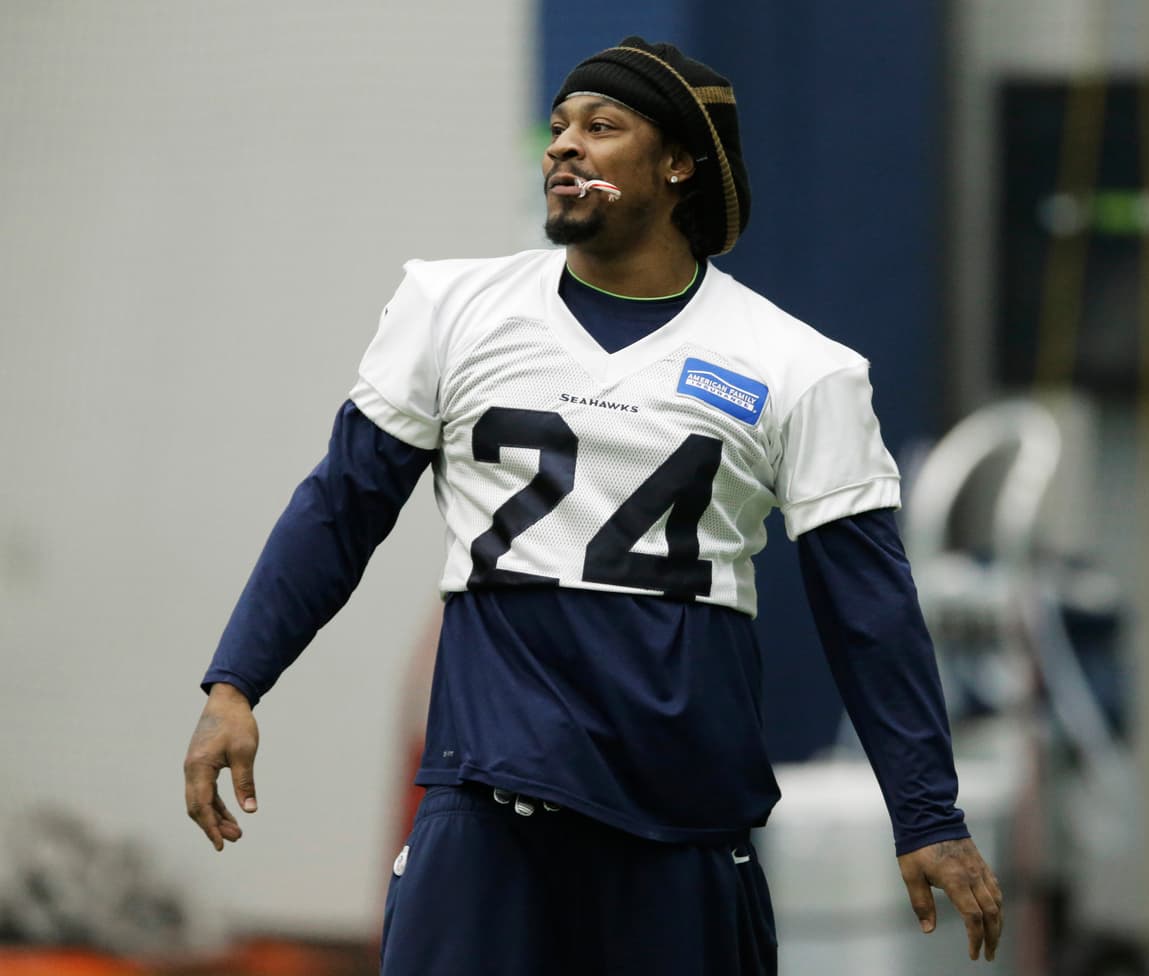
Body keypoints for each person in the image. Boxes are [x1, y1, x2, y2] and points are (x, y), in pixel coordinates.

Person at [183, 37, 1003, 975]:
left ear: (679, 164)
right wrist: (235, 685)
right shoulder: (451, 306)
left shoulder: (800, 367)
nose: (563, 146)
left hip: (682, 815)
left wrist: (926, 811)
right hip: (487, 800)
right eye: (560, 124)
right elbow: (342, 506)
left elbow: (870, 610)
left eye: (602, 126)